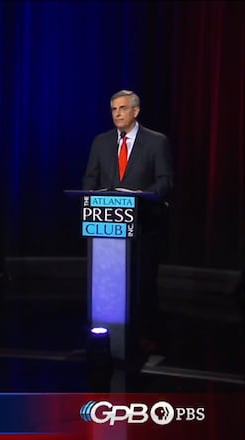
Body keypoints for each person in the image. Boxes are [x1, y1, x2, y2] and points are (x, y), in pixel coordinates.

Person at [82, 90, 174, 355]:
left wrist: (142, 196)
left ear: (136, 111)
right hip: (107, 229)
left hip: (144, 225)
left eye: (122, 108)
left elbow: (165, 180)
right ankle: (106, 331)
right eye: (113, 109)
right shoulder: (101, 142)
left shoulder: (156, 142)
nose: (117, 114)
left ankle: (145, 335)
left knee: (143, 282)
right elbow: (90, 179)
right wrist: (93, 195)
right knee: (109, 283)